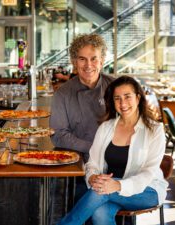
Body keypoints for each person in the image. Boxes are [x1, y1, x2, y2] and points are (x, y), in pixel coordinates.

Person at [57, 76, 168, 225]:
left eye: (127, 97)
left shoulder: (155, 130)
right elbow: (93, 163)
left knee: (99, 192)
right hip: (108, 190)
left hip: (147, 190)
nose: (123, 103)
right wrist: (92, 178)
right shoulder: (106, 128)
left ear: (138, 98)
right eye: (117, 98)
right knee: (99, 214)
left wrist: (118, 185)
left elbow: (148, 172)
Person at [50, 33, 114, 161]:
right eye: (82, 59)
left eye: (94, 59)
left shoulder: (115, 87)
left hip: (116, 158)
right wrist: (95, 148)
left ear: (102, 61)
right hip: (80, 161)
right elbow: (58, 135)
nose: (88, 65)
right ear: (74, 62)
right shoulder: (62, 94)